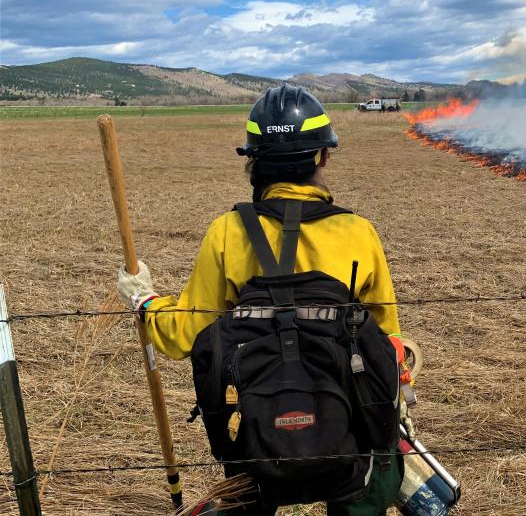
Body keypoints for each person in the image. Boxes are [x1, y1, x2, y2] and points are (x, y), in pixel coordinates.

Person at [117, 84, 409, 515]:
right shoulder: (358, 233)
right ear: (322, 156)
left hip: (258, 431)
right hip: (349, 426)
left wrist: (146, 302)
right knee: (367, 483)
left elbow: (187, 334)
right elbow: (387, 343)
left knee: (246, 492)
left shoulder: (227, 233)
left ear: (254, 162)